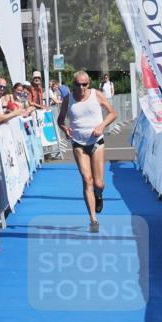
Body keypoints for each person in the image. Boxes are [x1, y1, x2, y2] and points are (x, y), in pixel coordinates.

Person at [57, 70, 117, 232]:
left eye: (85, 84)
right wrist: (65, 129)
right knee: (87, 179)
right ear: (73, 84)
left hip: (96, 142)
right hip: (78, 143)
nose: (82, 88)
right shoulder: (68, 99)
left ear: (89, 84)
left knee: (99, 183)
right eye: (78, 84)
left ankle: (99, 195)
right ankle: (93, 219)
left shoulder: (96, 95)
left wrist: (101, 126)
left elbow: (113, 113)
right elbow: (60, 119)